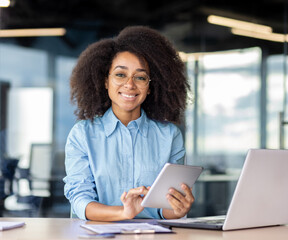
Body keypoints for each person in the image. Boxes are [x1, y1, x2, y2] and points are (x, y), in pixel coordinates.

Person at [63, 26, 192, 221]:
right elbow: (80, 199)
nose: (130, 84)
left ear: (150, 87)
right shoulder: (82, 134)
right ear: (105, 81)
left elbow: (163, 208)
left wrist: (177, 209)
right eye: (120, 74)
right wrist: (122, 213)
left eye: (140, 77)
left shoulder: (169, 136)